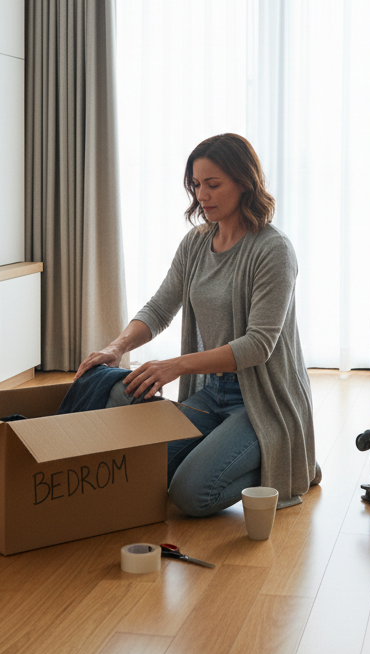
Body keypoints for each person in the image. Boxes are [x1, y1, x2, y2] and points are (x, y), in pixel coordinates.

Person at [73, 133, 320, 517]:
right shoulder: (196, 242)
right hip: (211, 394)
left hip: (262, 402)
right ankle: (269, 455)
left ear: (244, 182)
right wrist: (116, 347)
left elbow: (258, 345)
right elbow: (159, 308)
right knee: (146, 471)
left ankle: (287, 457)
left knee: (190, 495)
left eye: (213, 184)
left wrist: (175, 365)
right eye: (196, 185)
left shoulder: (274, 250)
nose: (201, 195)